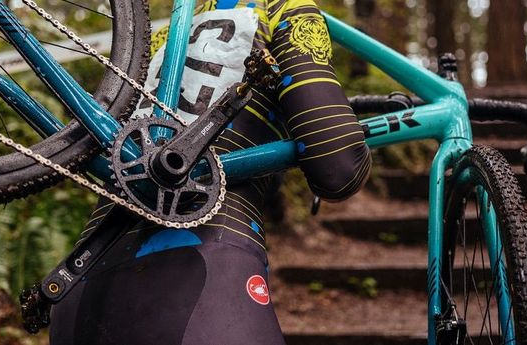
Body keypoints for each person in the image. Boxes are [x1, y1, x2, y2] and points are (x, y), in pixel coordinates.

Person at [48, 0, 371, 343]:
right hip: (200, 280)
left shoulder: (162, 35)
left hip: (80, 284)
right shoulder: (280, 8)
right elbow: (338, 168)